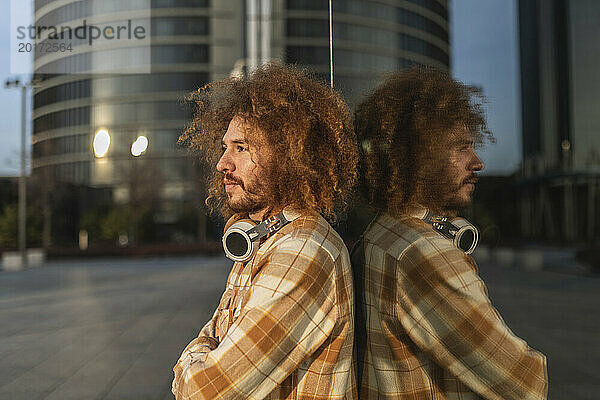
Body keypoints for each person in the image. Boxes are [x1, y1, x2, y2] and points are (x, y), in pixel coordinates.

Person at [352, 67, 548, 400]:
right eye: (461, 149)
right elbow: (522, 383)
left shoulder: (380, 233)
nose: (478, 162)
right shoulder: (426, 253)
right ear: (417, 158)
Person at [172, 63, 358, 400]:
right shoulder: (264, 235)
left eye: (241, 148)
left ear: (290, 156)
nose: (222, 164)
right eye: (225, 147)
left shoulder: (302, 252)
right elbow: (213, 337)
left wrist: (190, 362)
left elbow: (206, 390)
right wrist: (203, 354)